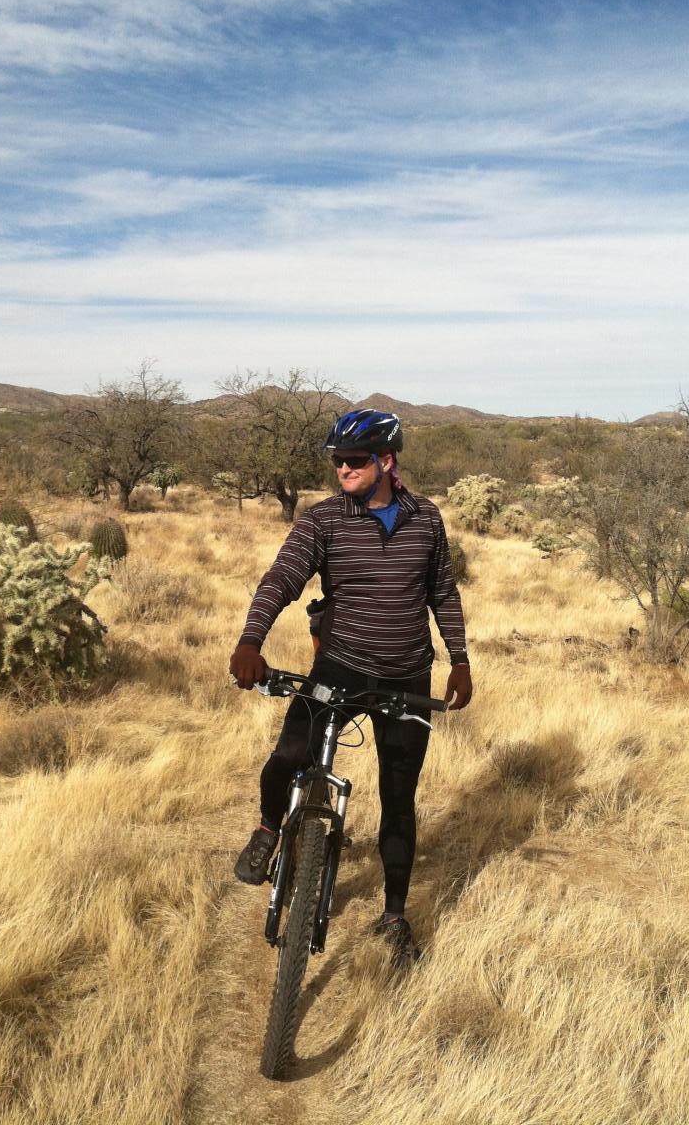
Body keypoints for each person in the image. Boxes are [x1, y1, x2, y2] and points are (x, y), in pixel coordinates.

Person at [229, 408, 472, 964]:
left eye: (355, 460)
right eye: (337, 460)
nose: (342, 468)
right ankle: (270, 828)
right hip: (338, 666)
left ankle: (393, 915)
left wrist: (459, 660)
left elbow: (443, 593)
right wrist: (250, 641)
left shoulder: (426, 520)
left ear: (386, 461)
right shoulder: (324, 521)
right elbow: (282, 578)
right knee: (288, 756)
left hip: (407, 674)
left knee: (398, 798)